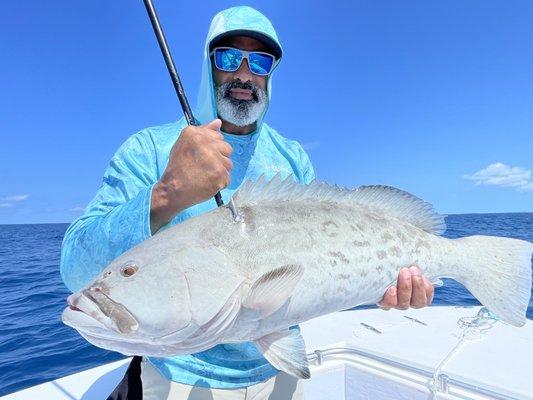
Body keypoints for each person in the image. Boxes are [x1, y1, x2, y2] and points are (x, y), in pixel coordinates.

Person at [60, 6, 435, 400]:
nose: (243, 74)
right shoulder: (149, 149)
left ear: (270, 73)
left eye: (259, 61)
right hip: (181, 373)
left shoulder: (292, 158)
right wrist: (168, 193)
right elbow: (75, 268)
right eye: (228, 58)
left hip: (278, 370)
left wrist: (382, 286)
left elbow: (326, 265)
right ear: (208, 65)